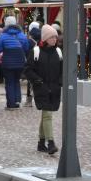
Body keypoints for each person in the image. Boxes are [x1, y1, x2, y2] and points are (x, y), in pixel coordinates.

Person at [24, 24, 61, 155]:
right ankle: (50, 143)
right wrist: (38, 81)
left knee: (46, 115)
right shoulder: (36, 51)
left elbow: (62, 69)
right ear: (45, 38)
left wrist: (60, 82)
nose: (54, 40)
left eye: (55, 37)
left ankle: (41, 142)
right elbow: (28, 70)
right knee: (47, 115)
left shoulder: (58, 51)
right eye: (51, 37)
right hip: (41, 88)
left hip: (54, 88)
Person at [0, 16, 29, 110]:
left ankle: (11, 104)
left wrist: (2, 52)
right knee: (16, 81)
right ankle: (17, 101)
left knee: (9, 82)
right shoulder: (22, 35)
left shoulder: (3, 35)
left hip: (7, 63)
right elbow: (26, 48)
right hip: (20, 63)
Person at [24, 21, 41, 107]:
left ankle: (29, 100)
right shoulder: (42, 38)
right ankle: (39, 99)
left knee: (30, 81)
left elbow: (26, 51)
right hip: (40, 62)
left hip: (31, 62)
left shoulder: (29, 41)